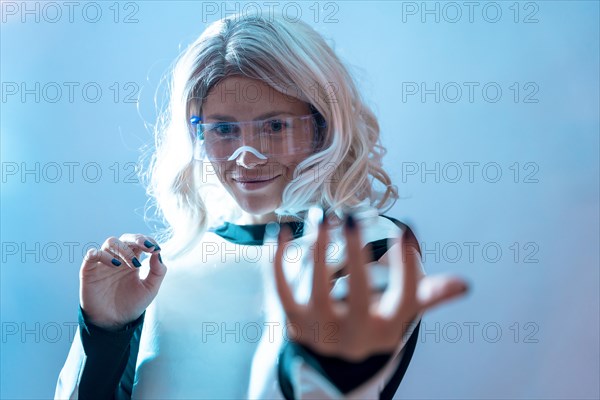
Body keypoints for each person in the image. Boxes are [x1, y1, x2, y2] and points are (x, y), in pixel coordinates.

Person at [54, 12, 469, 400]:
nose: (247, 156)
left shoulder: (372, 246)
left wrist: (303, 362)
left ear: (323, 125)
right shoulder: (162, 266)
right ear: (195, 133)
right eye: (224, 129)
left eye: (275, 126)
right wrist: (104, 332)